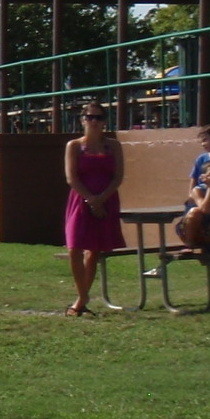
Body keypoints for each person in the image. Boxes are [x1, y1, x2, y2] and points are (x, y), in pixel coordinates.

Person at [62, 102, 124, 316]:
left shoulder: (113, 146)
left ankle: (80, 300)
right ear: (83, 120)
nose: (94, 122)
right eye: (90, 117)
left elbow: (118, 177)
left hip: (106, 198)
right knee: (74, 247)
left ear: (105, 120)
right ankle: (84, 294)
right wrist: (90, 200)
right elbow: (72, 177)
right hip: (80, 199)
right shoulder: (74, 146)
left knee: (94, 250)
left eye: (98, 117)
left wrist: (101, 200)